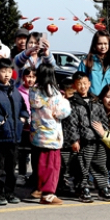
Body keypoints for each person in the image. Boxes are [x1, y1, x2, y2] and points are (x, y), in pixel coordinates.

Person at [63, 72, 110, 202]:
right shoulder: (71, 103)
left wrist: (104, 132)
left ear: (89, 84)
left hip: (98, 140)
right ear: (74, 85)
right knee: (82, 166)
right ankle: (83, 188)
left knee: (100, 165)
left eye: (85, 83)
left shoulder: (96, 101)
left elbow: (104, 120)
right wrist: (74, 140)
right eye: (79, 84)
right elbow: (70, 124)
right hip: (83, 141)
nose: (83, 86)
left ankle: (103, 188)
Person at [0, 58, 27, 205]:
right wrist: (0, 122)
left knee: (11, 167)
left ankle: (10, 192)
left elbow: (23, 108)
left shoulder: (15, 91)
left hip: (15, 136)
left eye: (9, 71)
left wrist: (23, 118)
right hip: (0, 136)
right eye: (3, 71)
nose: (7, 74)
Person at [29, 61, 72, 205]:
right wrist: (65, 101)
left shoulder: (33, 91)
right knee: (52, 166)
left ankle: (39, 188)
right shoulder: (54, 93)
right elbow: (61, 112)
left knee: (40, 164)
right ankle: (48, 194)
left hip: (37, 134)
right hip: (52, 136)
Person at [77, 30, 110, 97]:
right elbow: (79, 83)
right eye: (100, 44)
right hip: (94, 100)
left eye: (105, 43)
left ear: (109, 44)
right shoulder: (86, 62)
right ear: (95, 44)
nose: (103, 47)